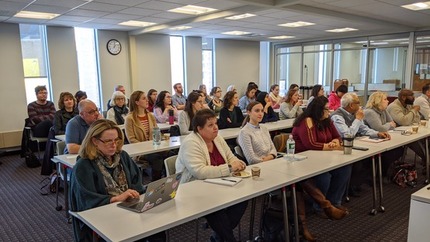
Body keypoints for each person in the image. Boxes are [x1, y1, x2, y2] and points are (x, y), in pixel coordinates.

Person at [239, 101, 345, 241]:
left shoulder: (264, 128)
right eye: (256, 111)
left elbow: (274, 150)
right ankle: (324, 206)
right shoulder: (244, 132)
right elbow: (252, 160)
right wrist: (268, 160)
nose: (260, 113)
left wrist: (271, 157)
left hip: (274, 165)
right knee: (299, 180)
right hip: (260, 172)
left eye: (261, 111)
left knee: (298, 181)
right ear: (248, 112)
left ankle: (305, 226)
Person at [70, 119, 165, 242]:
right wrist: (116, 198)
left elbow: (136, 183)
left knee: (157, 228)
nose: (113, 144)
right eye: (108, 141)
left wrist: (138, 193)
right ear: (94, 141)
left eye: (116, 140)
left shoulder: (122, 156)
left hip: (128, 206)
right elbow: (86, 200)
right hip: (104, 214)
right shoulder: (83, 166)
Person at [175, 109, 247, 242]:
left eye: (216, 123)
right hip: (193, 189)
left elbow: (230, 157)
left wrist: (238, 162)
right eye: (210, 125)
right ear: (199, 129)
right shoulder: (191, 143)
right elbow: (200, 172)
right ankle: (228, 239)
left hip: (219, 185)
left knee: (243, 198)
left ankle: (218, 236)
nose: (216, 128)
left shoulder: (217, 138)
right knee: (216, 209)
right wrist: (230, 168)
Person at [292, 96, 350, 217]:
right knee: (324, 176)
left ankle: (334, 201)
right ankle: (319, 206)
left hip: (323, 157)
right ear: (319, 109)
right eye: (327, 109)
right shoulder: (307, 121)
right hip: (304, 159)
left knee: (345, 169)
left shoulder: (326, 120)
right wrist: (330, 146)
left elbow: (337, 136)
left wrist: (335, 142)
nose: (329, 112)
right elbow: (310, 143)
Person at [331, 93, 392, 198]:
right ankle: (348, 188)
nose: (360, 105)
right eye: (358, 103)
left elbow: (363, 129)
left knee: (367, 160)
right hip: (340, 147)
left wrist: (376, 133)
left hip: (352, 145)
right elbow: (347, 135)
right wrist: (358, 119)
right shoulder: (337, 116)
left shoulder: (354, 113)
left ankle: (353, 185)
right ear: (351, 105)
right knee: (359, 163)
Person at [124, 91, 164, 181]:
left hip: (154, 148)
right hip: (141, 151)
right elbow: (131, 139)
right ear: (137, 102)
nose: (147, 100)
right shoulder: (129, 119)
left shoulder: (150, 115)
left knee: (170, 154)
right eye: (144, 98)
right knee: (157, 159)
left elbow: (157, 131)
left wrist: (161, 139)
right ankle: (155, 183)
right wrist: (147, 146)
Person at [363, 91, 404, 178]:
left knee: (399, 150)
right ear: (378, 101)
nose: (388, 101)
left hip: (381, 139)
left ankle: (381, 173)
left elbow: (393, 124)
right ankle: (377, 175)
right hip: (369, 140)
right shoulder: (369, 112)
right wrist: (389, 125)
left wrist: (388, 125)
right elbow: (380, 129)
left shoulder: (383, 110)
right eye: (385, 99)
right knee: (391, 153)